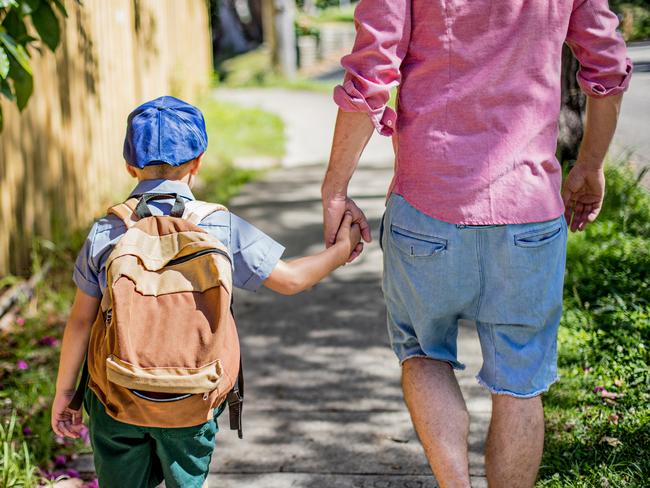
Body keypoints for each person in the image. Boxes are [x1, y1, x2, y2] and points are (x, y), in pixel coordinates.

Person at [321, 1, 631, 487]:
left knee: (423, 354)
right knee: (520, 383)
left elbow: (372, 71)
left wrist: (336, 188)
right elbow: (608, 64)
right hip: (529, 214)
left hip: (427, 209)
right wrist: (589, 165)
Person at [51, 96, 361, 488]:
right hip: (193, 399)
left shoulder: (107, 231)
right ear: (198, 163)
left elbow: (81, 322)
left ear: (129, 165)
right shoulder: (218, 226)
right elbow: (292, 280)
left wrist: (66, 393)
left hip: (117, 398)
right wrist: (341, 250)